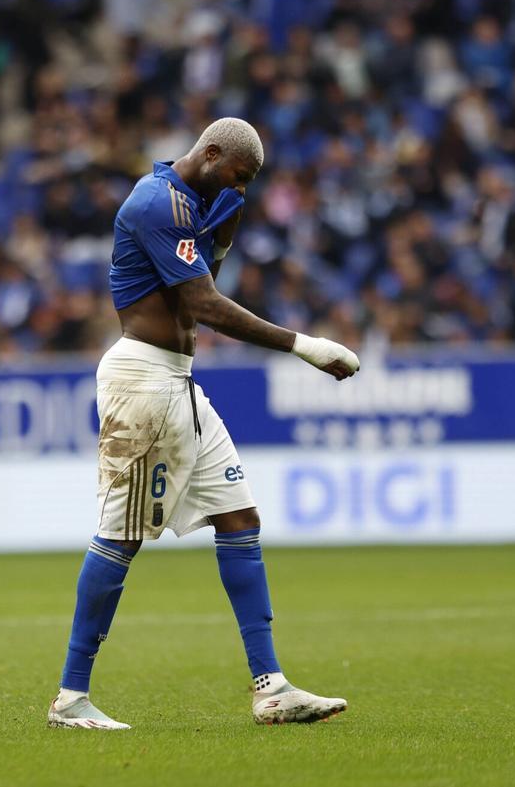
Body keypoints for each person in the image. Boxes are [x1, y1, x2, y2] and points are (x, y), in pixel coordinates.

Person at [48, 118, 360, 730]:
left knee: (239, 515)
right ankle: (71, 698)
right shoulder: (157, 203)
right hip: (143, 383)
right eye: (238, 177)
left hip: (179, 385)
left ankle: (271, 687)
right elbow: (203, 304)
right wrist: (304, 345)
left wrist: (231, 210)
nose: (241, 189)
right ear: (211, 152)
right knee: (122, 534)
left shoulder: (194, 201)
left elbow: (208, 269)